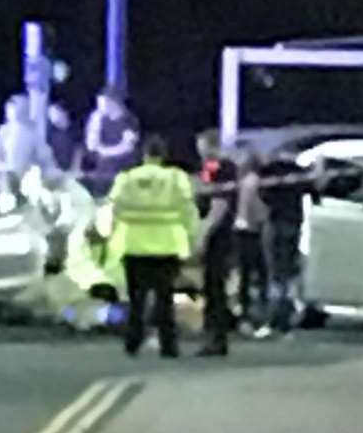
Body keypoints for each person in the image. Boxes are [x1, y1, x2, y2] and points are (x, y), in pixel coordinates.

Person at [108, 134, 199, 358]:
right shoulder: (176, 178)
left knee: (136, 299)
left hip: (134, 245)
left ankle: (133, 342)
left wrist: (112, 237)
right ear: (163, 156)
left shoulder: (126, 178)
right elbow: (188, 211)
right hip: (166, 246)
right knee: (164, 299)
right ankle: (168, 346)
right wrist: (191, 238)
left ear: (144, 155)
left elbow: (114, 210)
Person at [260, 152, 317, 334]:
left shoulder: (269, 171)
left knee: (275, 271)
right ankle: (285, 315)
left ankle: (275, 316)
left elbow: (263, 195)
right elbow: (315, 190)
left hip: (276, 223)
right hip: (293, 223)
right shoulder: (299, 173)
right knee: (289, 271)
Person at [196, 129, 238, 356]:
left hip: (219, 237)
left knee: (215, 288)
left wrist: (204, 234)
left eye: (202, 146)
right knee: (212, 288)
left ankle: (216, 338)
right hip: (218, 235)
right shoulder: (211, 169)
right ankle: (213, 336)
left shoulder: (222, 169)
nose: (200, 152)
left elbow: (218, 205)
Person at [232, 150, 270, 331]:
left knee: (245, 275)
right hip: (252, 231)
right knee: (258, 274)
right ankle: (255, 314)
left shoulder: (243, 181)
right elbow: (257, 209)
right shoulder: (254, 181)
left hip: (242, 230)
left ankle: (245, 312)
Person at [83, 87, 140, 188]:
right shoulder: (100, 119)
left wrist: (103, 151)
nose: (99, 107)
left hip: (123, 169)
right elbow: (91, 146)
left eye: (102, 103)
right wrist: (95, 121)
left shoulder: (130, 120)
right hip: (104, 170)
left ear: (113, 103)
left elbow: (127, 147)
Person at [0, 94, 51, 175]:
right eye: (8, 109)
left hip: (29, 177)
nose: (10, 112)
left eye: (13, 109)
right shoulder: (3, 132)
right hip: (7, 176)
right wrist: (4, 167)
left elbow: (44, 158)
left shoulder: (33, 132)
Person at [47, 103, 80, 174]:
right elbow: (49, 151)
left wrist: (75, 169)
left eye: (58, 114)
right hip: (57, 171)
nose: (56, 120)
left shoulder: (76, 128)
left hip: (75, 169)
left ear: (65, 113)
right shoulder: (52, 132)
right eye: (52, 117)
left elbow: (79, 149)